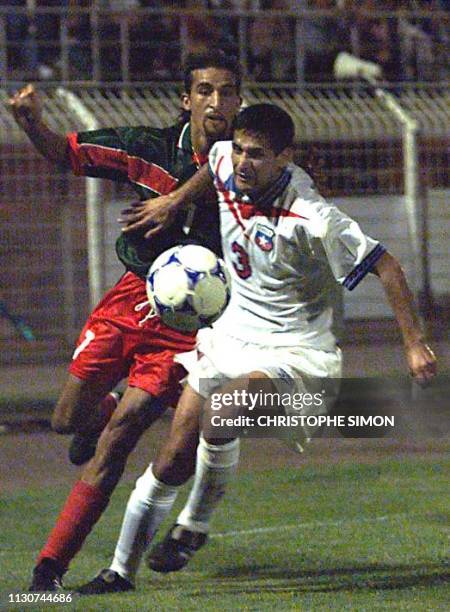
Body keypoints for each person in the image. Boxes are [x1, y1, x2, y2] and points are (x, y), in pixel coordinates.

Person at [78, 103, 437, 594]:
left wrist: (414, 345)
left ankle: (191, 528)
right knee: (172, 455)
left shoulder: (313, 217)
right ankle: (119, 572)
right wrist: (175, 200)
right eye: (242, 150)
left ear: (286, 157)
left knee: (222, 412)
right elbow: (215, 166)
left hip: (296, 352)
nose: (244, 162)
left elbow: (388, 267)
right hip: (230, 335)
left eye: (259, 155)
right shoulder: (227, 160)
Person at [9, 50, 242, 591]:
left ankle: (49, 568)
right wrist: (29, 121)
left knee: (119, 439)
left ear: (238, 100)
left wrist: (173, 204)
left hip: (192, 329)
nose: (216, 101)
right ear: (186, 101)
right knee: (68, 421)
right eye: (204, 91)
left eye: (227, 91)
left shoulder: (248, 161)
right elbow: (67, 154)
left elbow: (236, 167)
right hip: (131, 300)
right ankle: (105, 403)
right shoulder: (149, 149)